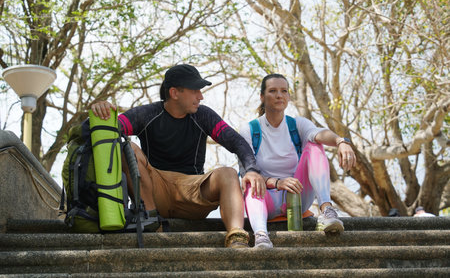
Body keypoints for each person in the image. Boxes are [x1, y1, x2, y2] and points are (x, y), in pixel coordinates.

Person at [90, 64, 266, 248]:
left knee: (228, 173)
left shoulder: (203, 115)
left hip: (192, 191)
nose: (201, 96)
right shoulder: (147, 113)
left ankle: (236, 236)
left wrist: (252, 170)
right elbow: (108, 131)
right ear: (174, 93)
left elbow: (235, 141)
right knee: (127, 147)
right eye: (195, 90)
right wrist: (101, 112)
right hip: (154, 190)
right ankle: (151, 222)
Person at [239, 74, 356, 248]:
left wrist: (341, 141)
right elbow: (246, 173)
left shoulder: (297, 124)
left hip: (296, 196)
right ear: (262, 97)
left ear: (288, 96)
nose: (279, 95)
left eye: (284, 91)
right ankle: (261, 235)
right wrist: (277, 182)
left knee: (315, 145)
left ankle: (326, 210)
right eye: (273, 91)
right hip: (265, 199)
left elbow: (319, 133)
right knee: (250, 181)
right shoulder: (249, 130)